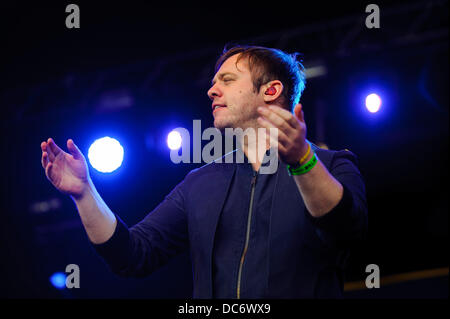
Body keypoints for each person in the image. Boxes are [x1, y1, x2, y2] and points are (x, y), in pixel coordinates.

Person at [40, 45, 367, 298]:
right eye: (213, 83)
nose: (212, 91)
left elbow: (345, 228)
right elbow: (133, 254)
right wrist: (84, 194)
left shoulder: (332, 164)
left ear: (270, 90)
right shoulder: (200, 182)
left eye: (226, 81)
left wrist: (302, 160)